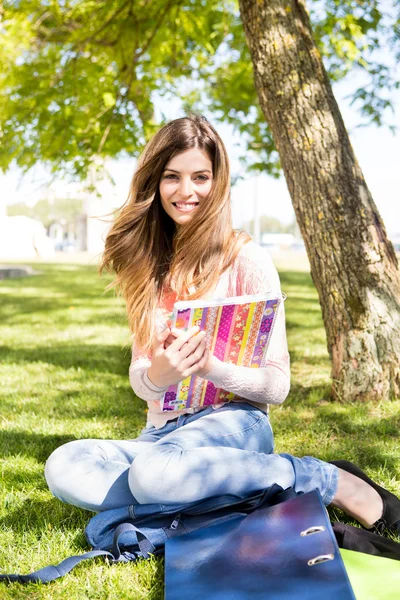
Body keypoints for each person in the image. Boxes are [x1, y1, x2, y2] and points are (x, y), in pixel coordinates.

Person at [45, 115, 399, 535]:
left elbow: (277, 386)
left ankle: (326, 479)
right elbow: (143, 380)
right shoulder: (147, 266)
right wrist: (158, 374)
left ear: (218, 182)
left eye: (200, 177)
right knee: (65, 466)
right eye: (172, 177)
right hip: (161, 437)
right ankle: (227, 493)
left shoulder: (246, 259)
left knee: (153, 475)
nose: (186, 191)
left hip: (235, 423)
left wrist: (209, 367)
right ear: (155, 183)